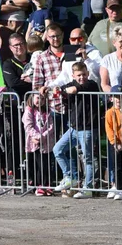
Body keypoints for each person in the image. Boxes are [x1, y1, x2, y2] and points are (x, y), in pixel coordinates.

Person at [53, 61, 102, 198]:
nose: (82, 78)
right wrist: (56, 90)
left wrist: (63, 90)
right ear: (73, 75)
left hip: (88, 127)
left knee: (88, 158)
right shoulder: (71, 84)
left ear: (88, 73)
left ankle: (88, 187)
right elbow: (61, 89)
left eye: (84, 74)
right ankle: (70, 177)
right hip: (74, 128)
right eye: (79, 75)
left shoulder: (91, 84)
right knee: (58, 149)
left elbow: (74, 90)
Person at [23, 90, 56, 195]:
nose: (40, 101)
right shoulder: (29, 110)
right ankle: (37, 185)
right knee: (35, 164)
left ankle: (46, 184)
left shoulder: (47, 111)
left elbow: (51, 126)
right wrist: (36, 137)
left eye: (42, 98)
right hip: (33, 142)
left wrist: (43, 137)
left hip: (45, 143)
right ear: (32, 98)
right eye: (38, 98)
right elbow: (28, 125)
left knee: (45, 164)